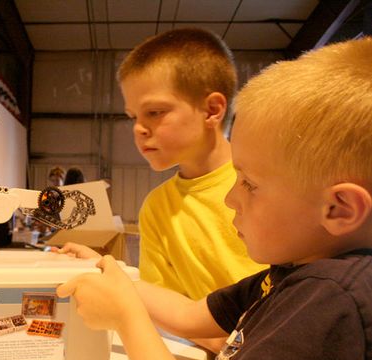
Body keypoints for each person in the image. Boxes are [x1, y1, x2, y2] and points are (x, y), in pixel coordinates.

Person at [57, 37, 372, 360]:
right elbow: (190, 314)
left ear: (339, 209)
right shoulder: (288, 275)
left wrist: (126, 318)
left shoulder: (326, 298)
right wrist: (109, 271)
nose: (229, 198)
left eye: (249, 184)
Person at [55, 28, 264, 300]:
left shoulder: (262, 184)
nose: (139, 129)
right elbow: (169, 304)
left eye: (155, 113)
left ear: (212, 110)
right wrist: (110, 272)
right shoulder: (156, 208)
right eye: (133, 117)